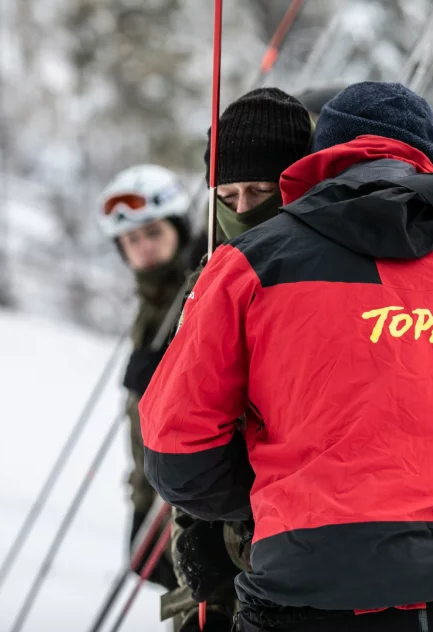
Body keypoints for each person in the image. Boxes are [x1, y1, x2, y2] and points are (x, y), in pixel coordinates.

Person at [141, 81, 433, 632]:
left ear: (320, 157)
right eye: (228, 198)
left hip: (306, 593)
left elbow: (176, 452)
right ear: (429, 161)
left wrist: (279, 489)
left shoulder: (252, 262)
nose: (242, 209)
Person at [159, 88, 314, 632]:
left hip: (302, 565)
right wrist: (195, 545)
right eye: (227, 195)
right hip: (231, 571)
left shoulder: (325, 283)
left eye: (262, 191)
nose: (244, 209)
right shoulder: (207, 280)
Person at [96, 164, 196, 593]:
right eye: (131, 240)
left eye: (153, 232)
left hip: (192, 495)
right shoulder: (150, 302)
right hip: (153, 488)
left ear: (178, 228)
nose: (143, 248)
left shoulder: (199, 286)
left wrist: (167, 373)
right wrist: (140, 496)